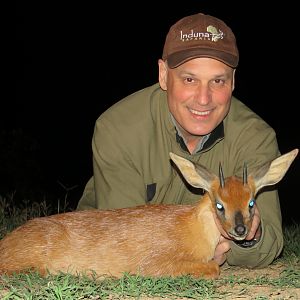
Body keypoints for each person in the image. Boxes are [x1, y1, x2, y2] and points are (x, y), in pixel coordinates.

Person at [77, 12, 283, 269]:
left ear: (232, 83)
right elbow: (124, 242)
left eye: (217, 81)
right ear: (163, 75)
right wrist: (193, 258)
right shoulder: (119, 129)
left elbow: (269, 244)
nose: (204, 99)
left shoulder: (255, 138)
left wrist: (248, 238)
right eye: (189, 79)